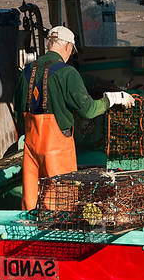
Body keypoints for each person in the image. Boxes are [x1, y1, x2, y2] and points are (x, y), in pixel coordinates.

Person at [15, 25, 134, 210]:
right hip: (56, 148)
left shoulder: (27, 72)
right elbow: (88, 110)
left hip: (31, 146)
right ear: (68, 46)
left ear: (51, 44)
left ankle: (27, 232)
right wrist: (112, 98)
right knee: (61, 201)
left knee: (30, 200)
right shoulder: (67, 73)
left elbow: (18, 113)